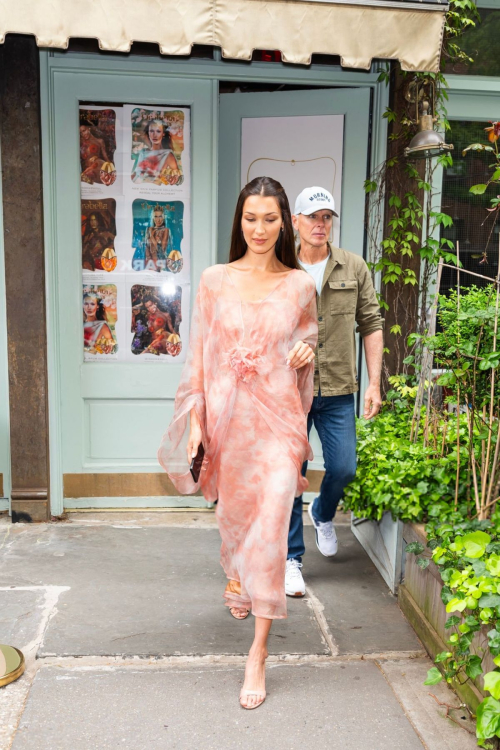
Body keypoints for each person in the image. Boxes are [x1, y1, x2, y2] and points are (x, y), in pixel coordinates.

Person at [158, 176, 318, 710]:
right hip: (230, 425)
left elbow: (307, 339)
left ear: (285, 223)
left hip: (279, 423)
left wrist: (304, 352)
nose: (260, 229)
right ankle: (236, 576)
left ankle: (258, 654)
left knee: (273, 524)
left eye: (270, 219)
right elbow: (199, 357)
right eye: (251, 218)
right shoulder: (214, 280)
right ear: (239, 220)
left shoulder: (299, 285)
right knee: (237, 519)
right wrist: (197, 421)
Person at [285, 186, 384, 598]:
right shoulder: (280, 267)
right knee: (291, 476)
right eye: (312, 216)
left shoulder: (353, 267)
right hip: (289, 391)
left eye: (327, 217)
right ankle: (292, 559)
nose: (320, 224)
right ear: (296, 221)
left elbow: (372, 323)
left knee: (344, 468)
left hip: (339, 387)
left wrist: (375, 383)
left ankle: (323, 512)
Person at [132, 118, 182, 186]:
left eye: (158, 131)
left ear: (163, 133)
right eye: (151, 131)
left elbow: (176, 178)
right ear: (148, 132)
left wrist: (175, 179)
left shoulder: (168, 154)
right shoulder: (142, 152)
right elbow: (134, 175)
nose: (154, 135)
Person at [144, 205, 171, 272]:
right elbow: (146, 247)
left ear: (163, 218)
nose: (158, 220)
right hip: (150, 263)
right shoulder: (149, 230)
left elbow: (161, 250)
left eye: (160, 216)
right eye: (156, 216)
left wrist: (152, 236)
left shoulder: (165, 230)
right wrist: (149, 261)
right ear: (153, 217)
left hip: (161, 262)